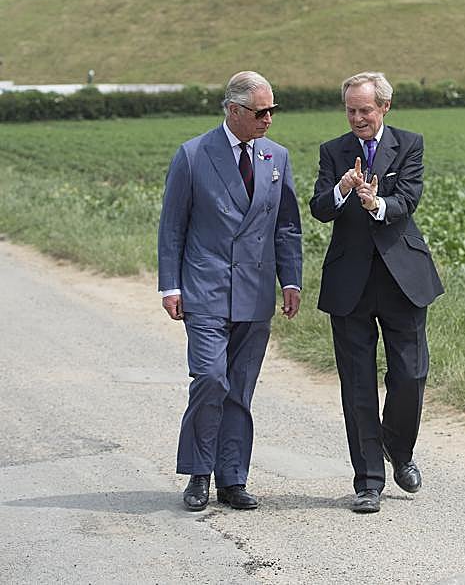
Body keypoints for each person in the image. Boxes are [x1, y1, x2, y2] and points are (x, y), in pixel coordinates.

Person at [158, 70, 302, 512]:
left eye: (272, 111)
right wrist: (170, 285)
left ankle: (232, 477)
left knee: (240, 387)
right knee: (209, 378)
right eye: (261, 112)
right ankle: (199, 473)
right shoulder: (194, 154)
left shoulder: (276, 157)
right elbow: (173, 226)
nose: (269, 120)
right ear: (234, 111)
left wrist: (291, 279)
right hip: (205, 288)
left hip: (255, 291)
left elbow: (287, 226)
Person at [310, 71, 443, 514]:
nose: (357, 118)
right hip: (350, 283)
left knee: (411, 374)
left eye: (365, 110)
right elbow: (319, 209)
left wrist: (375, 202)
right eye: (350, 110)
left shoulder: (409, 144)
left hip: (402, 279)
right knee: (357, 385)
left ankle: (397, 448)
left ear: (384, 107)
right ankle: (368, 481)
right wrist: (344, 189)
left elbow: (408, 200)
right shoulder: (333, 151)